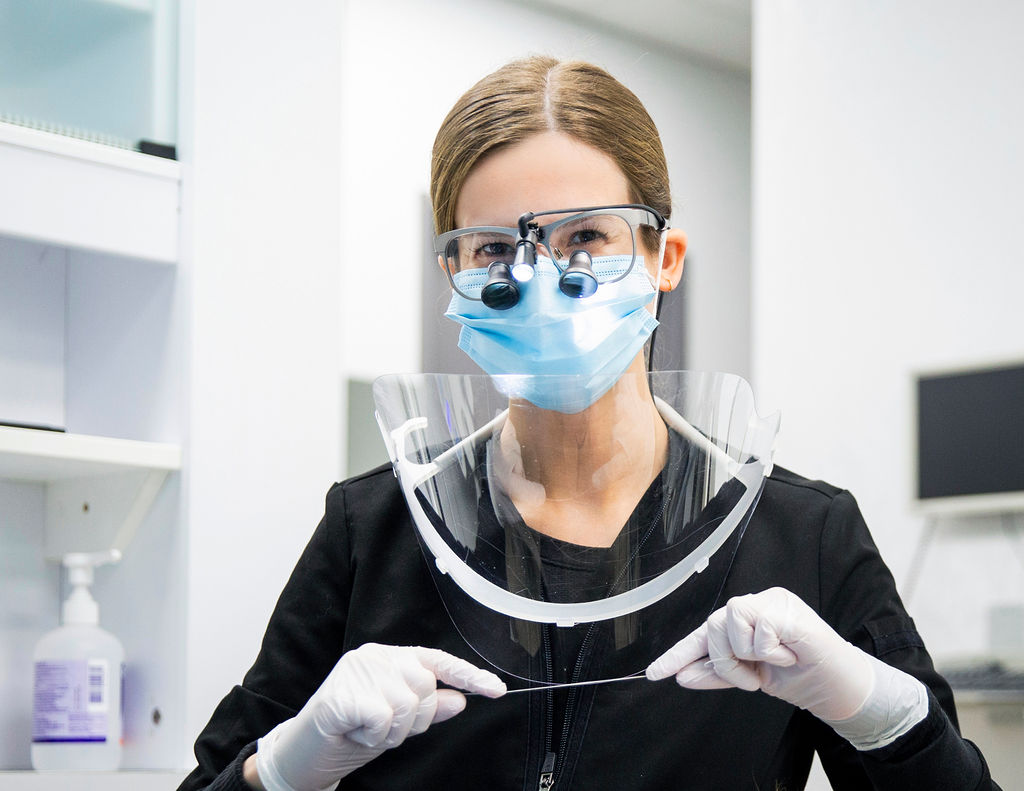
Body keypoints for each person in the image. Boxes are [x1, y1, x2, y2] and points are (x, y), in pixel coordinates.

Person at [178, 56, 1000, 791]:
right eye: (494, 249)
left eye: (586, 237)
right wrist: (285, 765)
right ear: (452, 273)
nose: (538, 278)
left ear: (664, 257)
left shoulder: (802, 536)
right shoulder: (375, 529)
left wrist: (880, 711)